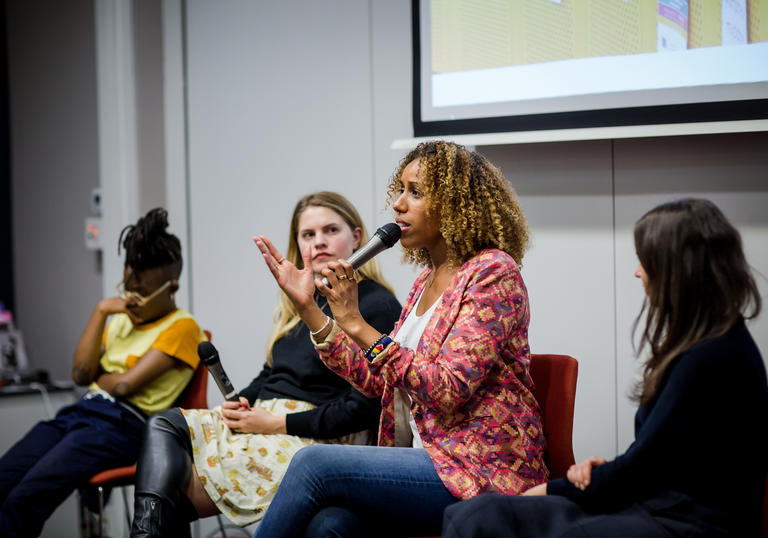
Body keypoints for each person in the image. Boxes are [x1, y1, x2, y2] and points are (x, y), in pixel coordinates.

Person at [252, 141, 548, 537]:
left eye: (415, 192)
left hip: (476, 470)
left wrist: (357, 324)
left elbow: (449, 388)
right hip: (422, 461)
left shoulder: (493, 273)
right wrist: (309, 308)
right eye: (400, 189)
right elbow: (379, 382)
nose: (397, 204)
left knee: (311, 464)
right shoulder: (425, 282)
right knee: (330, 525)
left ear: (455, 205)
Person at [442, 198, 768, 538]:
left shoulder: (712, 356)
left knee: (484, 519)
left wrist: (554, 489)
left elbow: (644, 469)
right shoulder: (712, 344)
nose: (637, 271)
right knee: (480, 511)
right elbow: (661, 458)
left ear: (676, 269)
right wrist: (599, 473)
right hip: (657, 506)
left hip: (685, 524)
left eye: (645, 259)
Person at [129, 192, 401, 537]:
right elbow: (274, 372)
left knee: (174, 494)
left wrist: (274, 423)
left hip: (312, 436)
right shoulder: (301, 302)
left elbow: (361, 409)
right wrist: (240, 402)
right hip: (265, 419)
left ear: (357, 238)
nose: (319, 242)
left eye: (330, 230)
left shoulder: (376, 304)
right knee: (166, 425)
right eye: (308, 235)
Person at [0, 208, 206, 537]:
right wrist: (100, 311)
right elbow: (82, 374)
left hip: (125, 425)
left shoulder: (184, 327)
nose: (131, 301)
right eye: (127, 289)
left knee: (25, 499)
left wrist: (104, 379)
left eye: (141, 294)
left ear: (172, 287)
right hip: (81, 413)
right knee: (5, 480)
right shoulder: (119, 320)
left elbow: (124, 387)